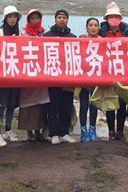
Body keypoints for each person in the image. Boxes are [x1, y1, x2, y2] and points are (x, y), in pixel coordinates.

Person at [100, 2, 128, 141]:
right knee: (110, 102)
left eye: (116, 16)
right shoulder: (101, 32)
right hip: (107, 70)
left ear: (120, 18)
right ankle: (111, 131)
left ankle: (120, 131)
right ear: (107, 19)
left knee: (122, 103)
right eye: (111, 16)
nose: (113, 19)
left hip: (123, 71)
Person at [45, 9, 78, 144]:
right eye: (59, 17)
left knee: (67, 106)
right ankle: (53, 133)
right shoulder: (46, 36)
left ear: (67, 20)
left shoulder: (73, 37)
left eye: (64, 18)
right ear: (55, 19)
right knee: (53, 106)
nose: (62, 20)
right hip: (52, 77)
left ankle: (64, 132)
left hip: (68, 79)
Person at [18, 9, 49, 142]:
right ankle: (29, 131)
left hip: (41, 71)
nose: (35, 21)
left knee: (41, 102)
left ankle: (38, 131)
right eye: (33, 18)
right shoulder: (23, 33)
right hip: (28, 70)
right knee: (27, 102)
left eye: (37, 18)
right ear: (28, 20)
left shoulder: (44, 33)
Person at [0, 6, 23, 145]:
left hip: (15, 73)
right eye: (10, 16)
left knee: (11, 103)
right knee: (2, 103)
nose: (12, 19)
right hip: (3, 74)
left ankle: (8, 130)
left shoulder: (20, 33)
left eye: (14, 16)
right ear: (5, 18)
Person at [78, 17, 101, 142]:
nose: (93, 28)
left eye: (95, 25)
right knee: (83, 105)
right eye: (90, 25)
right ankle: (83, 130)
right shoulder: (81, 40)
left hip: (97, 79)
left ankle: (92, 129)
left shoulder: (103, 42)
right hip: (83, 79)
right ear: (86, 27)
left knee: (94, 105)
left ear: (99, 28)